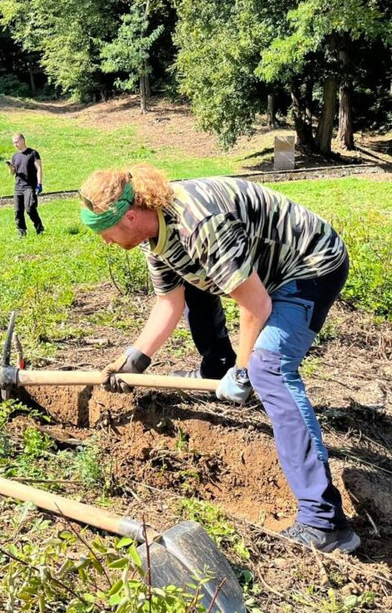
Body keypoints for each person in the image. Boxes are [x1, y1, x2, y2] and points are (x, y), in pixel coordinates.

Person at [78, 165, 360, 553]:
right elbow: (169, 301)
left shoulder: (199, 225)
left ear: (129, 216)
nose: (106, 241)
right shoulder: (154, 233)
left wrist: (244, 372)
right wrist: (134, 360)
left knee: (269, 369)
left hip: (309, 266)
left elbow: (256, 306)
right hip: (262, 270)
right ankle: (215, 370)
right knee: (196, 284)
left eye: (105, 231)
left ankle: (325, 521)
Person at [8, 133, 44, 236]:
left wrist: (39, 184)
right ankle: (21, 231)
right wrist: (11, 167)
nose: (15, 144)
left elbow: (39, 169)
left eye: (16, 142)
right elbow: (12, 173)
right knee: (18, 211)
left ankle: (39, 228)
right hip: (18, 187)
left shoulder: (33, 153)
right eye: (13, 143)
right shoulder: (15, 156)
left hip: (29, 186)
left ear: (23, 140)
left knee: (30, 209)